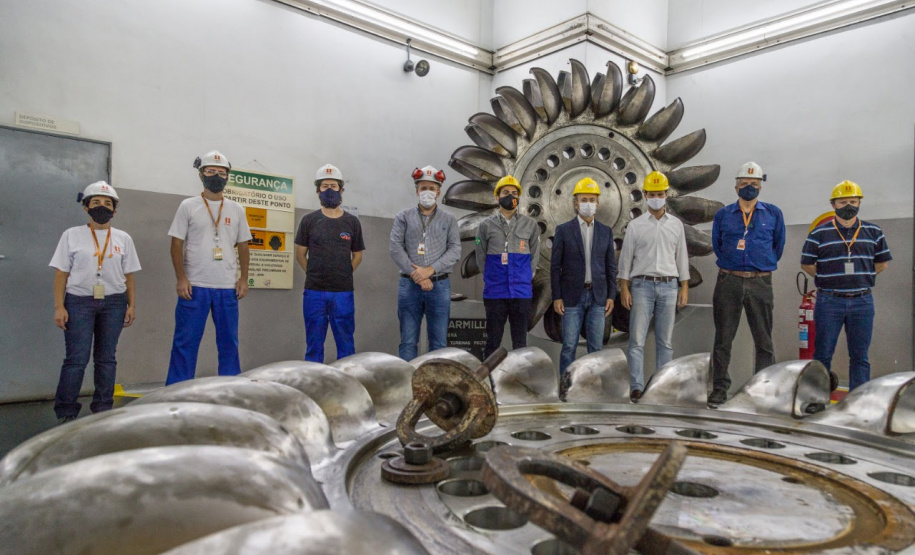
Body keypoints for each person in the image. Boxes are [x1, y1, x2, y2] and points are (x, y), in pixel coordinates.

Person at [50, 182, 140, 424]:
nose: (102, 207)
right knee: (76, 359)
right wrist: (60, 307)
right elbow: (61, 274)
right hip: (78, 303)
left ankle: (103, 408)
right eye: (96, 203)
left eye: (108, 203)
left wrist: (131, 305)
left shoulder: (123, 238)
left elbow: (129, 275)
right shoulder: (72, 235)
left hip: (114, 303)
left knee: (107, 358)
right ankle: (66, 412)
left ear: (115, 209)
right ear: (86, 207)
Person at [166, 150, 251, 385]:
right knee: (185, 342)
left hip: (226, 287)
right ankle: (176, 391)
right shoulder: (188, 206)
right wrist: (181, 278)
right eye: (211, 171)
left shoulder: (236, 209)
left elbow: (243, 247)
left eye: (221, 172)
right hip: (195, 286)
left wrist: (243, 279)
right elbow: (176, 245)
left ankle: (231, 390)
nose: (216, 175)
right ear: (201, 174)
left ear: (227, 176)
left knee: (229, 343)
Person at [801, 181, 891, 391]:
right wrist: (828, 278)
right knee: (822, 354)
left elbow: (882, 263)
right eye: (843, 202)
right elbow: (806, 263)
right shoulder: (819, 234)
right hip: (829, 301)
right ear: (833, 205)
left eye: (853, 201)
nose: (848, 205)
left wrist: (863, 276)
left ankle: (857, 400)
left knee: (860, 356)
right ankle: (815, 398)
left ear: (859, 203)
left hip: (862, 301)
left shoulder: (874, 231)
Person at [708, 162, 785, 405]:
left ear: (760, 186)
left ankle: (762, 390)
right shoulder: (723, 215)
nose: (749, 188)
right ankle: (720, 388)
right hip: (728, 281)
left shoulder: (773, 213)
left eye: (754, 184)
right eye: (744, 184)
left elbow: (777, 247)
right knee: (723, 340)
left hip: (760, 282)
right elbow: (717, 245)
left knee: (764, 340)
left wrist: (759, 266)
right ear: (736, 187)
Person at [617, 172, 689, 403]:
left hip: (669, 287)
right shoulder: (636, 227)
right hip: (642, 287)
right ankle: (637, 387)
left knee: (665, 341)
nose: (656, 198)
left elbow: (682, 258)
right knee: (636, 340)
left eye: (660, 194)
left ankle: (662, 386)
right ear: (645, 196)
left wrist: (684, 287)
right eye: (652, 194)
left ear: (666, 195)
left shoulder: (676, 225)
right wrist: (625, 288)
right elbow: (625, 260)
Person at [549, 177, 617, 401]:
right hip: (571, 297)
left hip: (597, 296)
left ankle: (592, 388)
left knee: (596, 347)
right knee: (569, 346)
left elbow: (610, 266)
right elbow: (555, 266)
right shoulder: (564, 230)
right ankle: (565, 388)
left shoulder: (606, 232)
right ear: (576, 203)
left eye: (592, 199)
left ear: (598, 203)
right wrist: (557, 297)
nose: (588, 203)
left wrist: (610, 296)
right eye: (583, 199)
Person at [389, 166, 461, 361]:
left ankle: (434, 387)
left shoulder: (449, 219)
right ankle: (408, 386)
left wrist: (430, 270)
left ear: (439, 192)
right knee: (408, 341)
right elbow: (395, 247)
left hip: (439, 286)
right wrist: (418, 276)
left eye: (431, 188)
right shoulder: (403, 217)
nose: (427, 192)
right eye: (423, 188)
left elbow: (455, 249)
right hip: (409, 285)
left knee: (439, 342)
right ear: (416, 191)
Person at [295, 164, 365, 363]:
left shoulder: (352, 222)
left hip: (343, 292)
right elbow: (300, 254)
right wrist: (315, 273)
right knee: (314, 344)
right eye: (324, 186)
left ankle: (348, 386)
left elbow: (358, 255)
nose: (329, 190)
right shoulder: (309, 221)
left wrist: (343, 272)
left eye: (333, 186)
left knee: (346, 344)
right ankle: (314, 385)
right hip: (314, 292)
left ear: (341, 190)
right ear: (318, 190)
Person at [475, 175, 541, 360]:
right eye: (505, 193)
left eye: (514, 193)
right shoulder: (485, 226)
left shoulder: (530, 225)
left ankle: (519, 382)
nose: (510, 196)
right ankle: (489, 381)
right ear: (497, 197)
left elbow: (534, 254)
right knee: (493, 341)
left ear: (518, 198)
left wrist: (527, 275)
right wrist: (490, 276)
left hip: (521, 293)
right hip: (495, 292)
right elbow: (481, 255)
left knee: (520, 342)